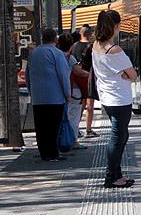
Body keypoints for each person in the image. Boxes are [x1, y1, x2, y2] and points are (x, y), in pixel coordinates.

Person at [92, 10, 136, 188]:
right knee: (117, 137)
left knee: (121, 135)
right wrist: (128, 75)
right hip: (120, 99)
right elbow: (132, 74)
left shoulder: (96, 46)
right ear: (116, 26)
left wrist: (125, 74)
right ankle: (111, 177)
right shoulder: (115, 50)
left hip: (107, 98)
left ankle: (117, 174)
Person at [26, 28, 71, 161]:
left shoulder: (33, 53)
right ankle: (52, 153)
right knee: (53, 126)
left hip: (38, 97)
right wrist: (67, 93)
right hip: (55, 96)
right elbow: (63, 74)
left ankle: (44, 152)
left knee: (41, 127)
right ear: (55, 39)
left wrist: (31, 91)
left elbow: (28, 75)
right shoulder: (57, 53)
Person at [58, 33, 88, 150]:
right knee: (73, 117)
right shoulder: (69, 57)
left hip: (59, 91)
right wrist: (90, 75)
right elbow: (78, 72)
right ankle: (73, 141)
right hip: (73, 91)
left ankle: (61, 140)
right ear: (71, 45)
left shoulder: (56, 56)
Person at [74, 27, 99, 138]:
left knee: (80, 104)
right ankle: (88, 130)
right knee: (90, 104)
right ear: (90, 35)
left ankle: (76, 128)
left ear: (80, 34)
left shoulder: (74, 46)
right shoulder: (92, 47)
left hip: (76, 77)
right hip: (89, 76)